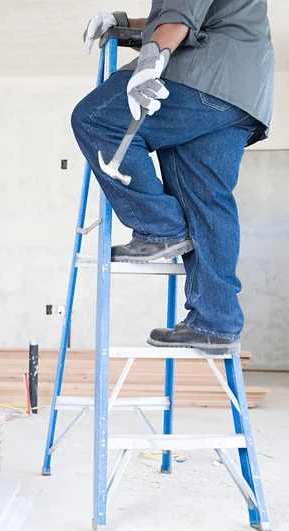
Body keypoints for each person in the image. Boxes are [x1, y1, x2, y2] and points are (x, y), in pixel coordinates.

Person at [71, 1, 274, 355]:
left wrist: (151, 60)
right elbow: (187, 19)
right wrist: (124, 23)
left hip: (202, 77)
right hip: (242, 98)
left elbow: (179, 14)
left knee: (96, 119)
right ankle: (216, 322)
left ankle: (160, 228)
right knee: (207, 200)